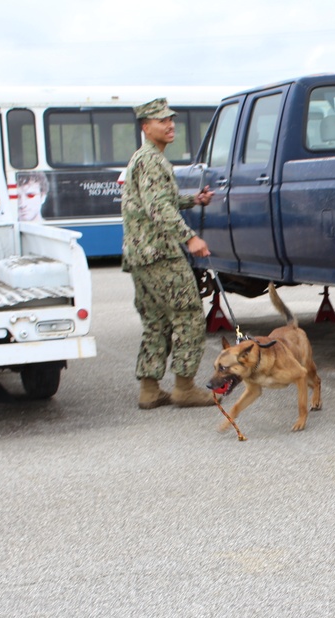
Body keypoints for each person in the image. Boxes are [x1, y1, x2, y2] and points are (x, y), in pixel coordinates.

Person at [122, 97, 215, 409]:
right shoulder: (151, 160)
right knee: (188, 315)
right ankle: (184, 387)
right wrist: (190, 238)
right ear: (146, 128)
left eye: (170, 119)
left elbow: (159, 199)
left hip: (140, 255)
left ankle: (150, 390)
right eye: (161, 120)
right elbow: (158, 207)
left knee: (156, 321)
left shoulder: (146, 158)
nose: (170, 124)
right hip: (159, 252)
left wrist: (194, 200)